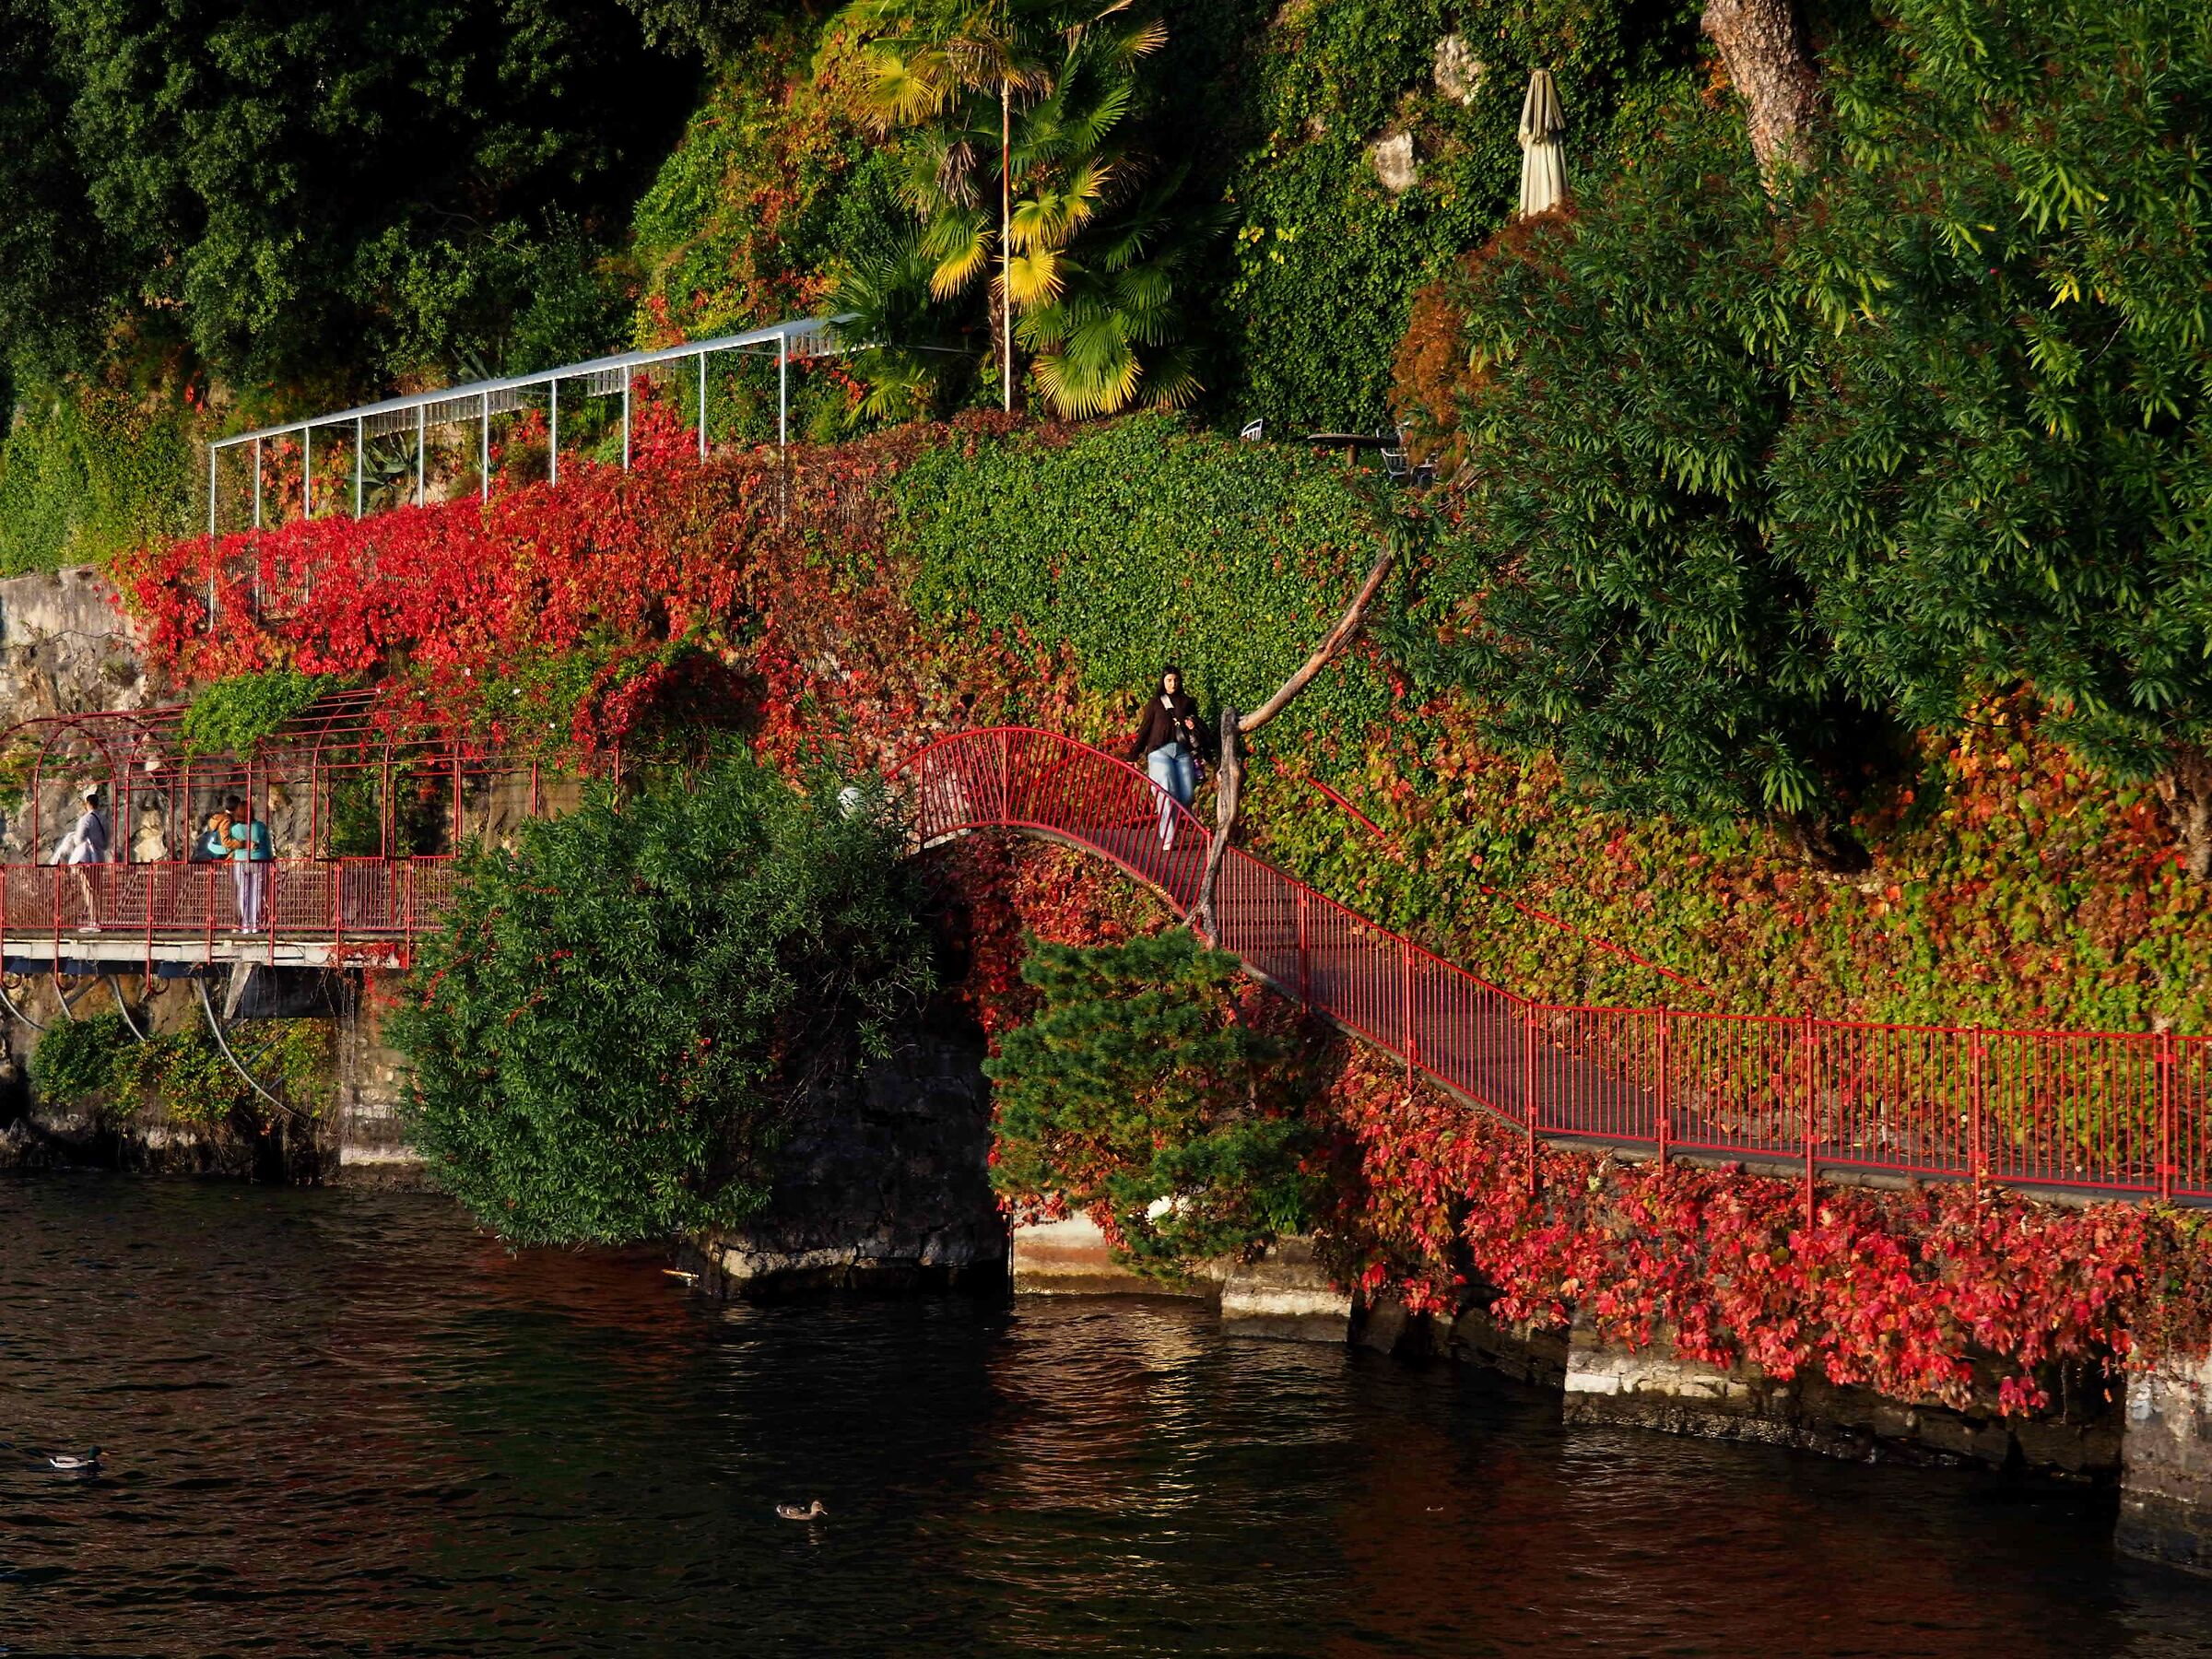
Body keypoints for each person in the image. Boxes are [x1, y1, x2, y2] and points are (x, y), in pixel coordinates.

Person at [1125, 665, 1206, 851]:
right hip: (1159, 751)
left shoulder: (1187, 701)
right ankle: (1168, 837)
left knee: (1186, 794)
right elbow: (1145, 730)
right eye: (1169, 680)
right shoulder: (1155, 703)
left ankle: (1173, 828)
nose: (1173, 684)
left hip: (1182, 751)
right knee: (1166, 792)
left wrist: (1193, 724)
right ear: (1163, 681)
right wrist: (1134, 754)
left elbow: (1196, 727)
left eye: (1176, 680)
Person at [57, 784, 107, 932]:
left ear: (87, 804)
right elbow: (106, 840)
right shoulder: (103, 819)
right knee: (97, 889)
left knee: (89, 889)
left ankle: (94, 921)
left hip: (87, 859)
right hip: (99, 856)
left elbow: (79, 839)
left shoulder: (86, 819)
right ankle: (98, 919)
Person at [224, 794, 273, 933]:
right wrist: (270, 859)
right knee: (257, 893)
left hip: (240, 861)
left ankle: (245, 924)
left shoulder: (234, 829)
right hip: (260, 861)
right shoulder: (260, 827)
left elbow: (229, 845)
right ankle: (255, 924)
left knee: (243, 892)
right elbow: (268, 846)